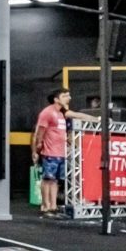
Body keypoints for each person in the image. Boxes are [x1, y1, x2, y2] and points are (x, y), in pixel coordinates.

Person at [31, 88, 98, 218]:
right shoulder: (47, 113)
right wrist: (35, 151)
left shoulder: (61, 113)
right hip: (49, 152)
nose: (69, 98)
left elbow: (77, 116)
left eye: (69, 95)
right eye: (65, 96)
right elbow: (38, 134)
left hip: (60, 153)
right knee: (47, 180)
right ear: (56, 99)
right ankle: (45, 207)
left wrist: (97, 119)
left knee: (55, 181)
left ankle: (53, 206)